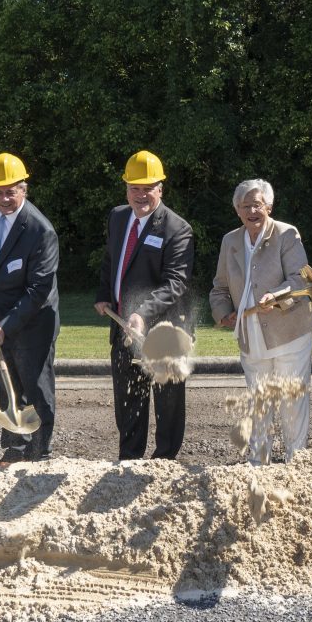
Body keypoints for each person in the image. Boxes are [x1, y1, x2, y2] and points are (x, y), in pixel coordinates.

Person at [94, 150, 195, 460]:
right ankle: (130, 460)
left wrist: (141, 312)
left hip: (164, 331)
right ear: (126, 188)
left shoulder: (177, 229)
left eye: (147, 188)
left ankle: (164, 462)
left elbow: (175, 283)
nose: (140, 195)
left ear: (160, 189)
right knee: (129, 401)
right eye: (134, 187)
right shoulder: (118, 216)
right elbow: (111, 260)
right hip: (123, 329)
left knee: (167, 404)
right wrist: (104, 294)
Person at [210, 179, 312, 464]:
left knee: (292, 402)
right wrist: (221, 311)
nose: (251, 211)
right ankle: (258, 463)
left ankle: (297, 462)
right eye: (245, 206)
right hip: (250, 335)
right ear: (237, 211)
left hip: (290, 333)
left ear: (269, 206)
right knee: (259, 402)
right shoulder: (230, 241)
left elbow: (300, 278)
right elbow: (219, 287)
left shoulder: (286, 234)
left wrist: (277, 295)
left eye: (257, 204)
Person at [0, 153, 59, 465]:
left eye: (10, 191)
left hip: (33, 320)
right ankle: (14, 450)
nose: (3, 199)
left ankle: (40, 452)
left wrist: (5, 326)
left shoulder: (40, 231)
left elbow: (38, 290)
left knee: (36, 387)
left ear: (24, 188)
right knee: (7, 385)